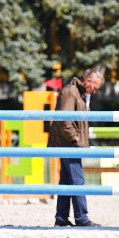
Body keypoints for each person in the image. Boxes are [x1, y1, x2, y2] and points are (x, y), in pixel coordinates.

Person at [49, 66, 105, 227]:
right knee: (77, 180)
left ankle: (61, 218)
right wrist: (76, 140)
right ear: (88, 81)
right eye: (95, 87)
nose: (95, 91)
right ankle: (81, 218)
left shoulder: (79, 94)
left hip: (69, 143)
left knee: (67, 181)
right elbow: (65, 120)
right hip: (68, 144)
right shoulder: (70, 92)